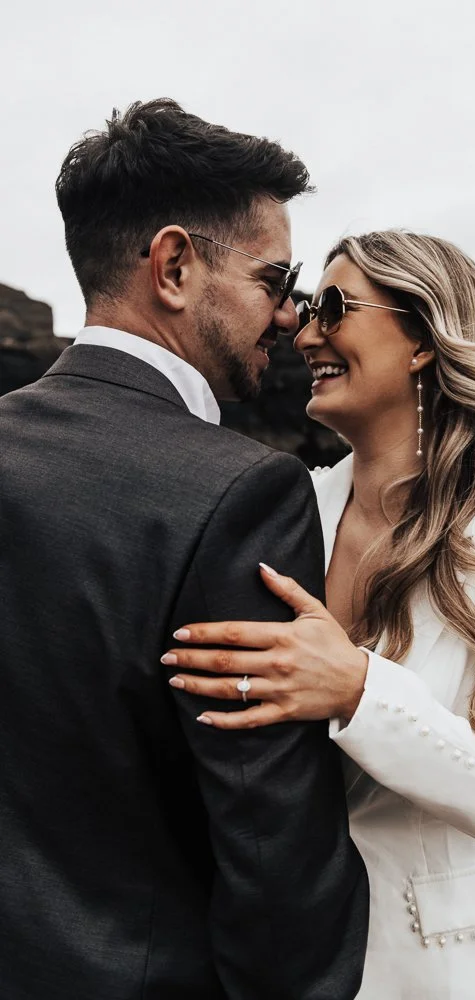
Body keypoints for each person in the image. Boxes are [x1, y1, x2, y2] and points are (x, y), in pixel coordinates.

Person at [164, 231, 475, 999]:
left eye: (332, 307)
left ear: (420, 337)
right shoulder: (286, 510)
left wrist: (359, 692)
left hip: (455, 969)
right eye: (303, 306)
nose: (302, 329)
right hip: (287, 965)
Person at [0, 100, 369, 1000]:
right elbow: (268, 838)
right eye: (275, 279)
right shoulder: (240, 493)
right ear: (173, 266)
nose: (289, 318)